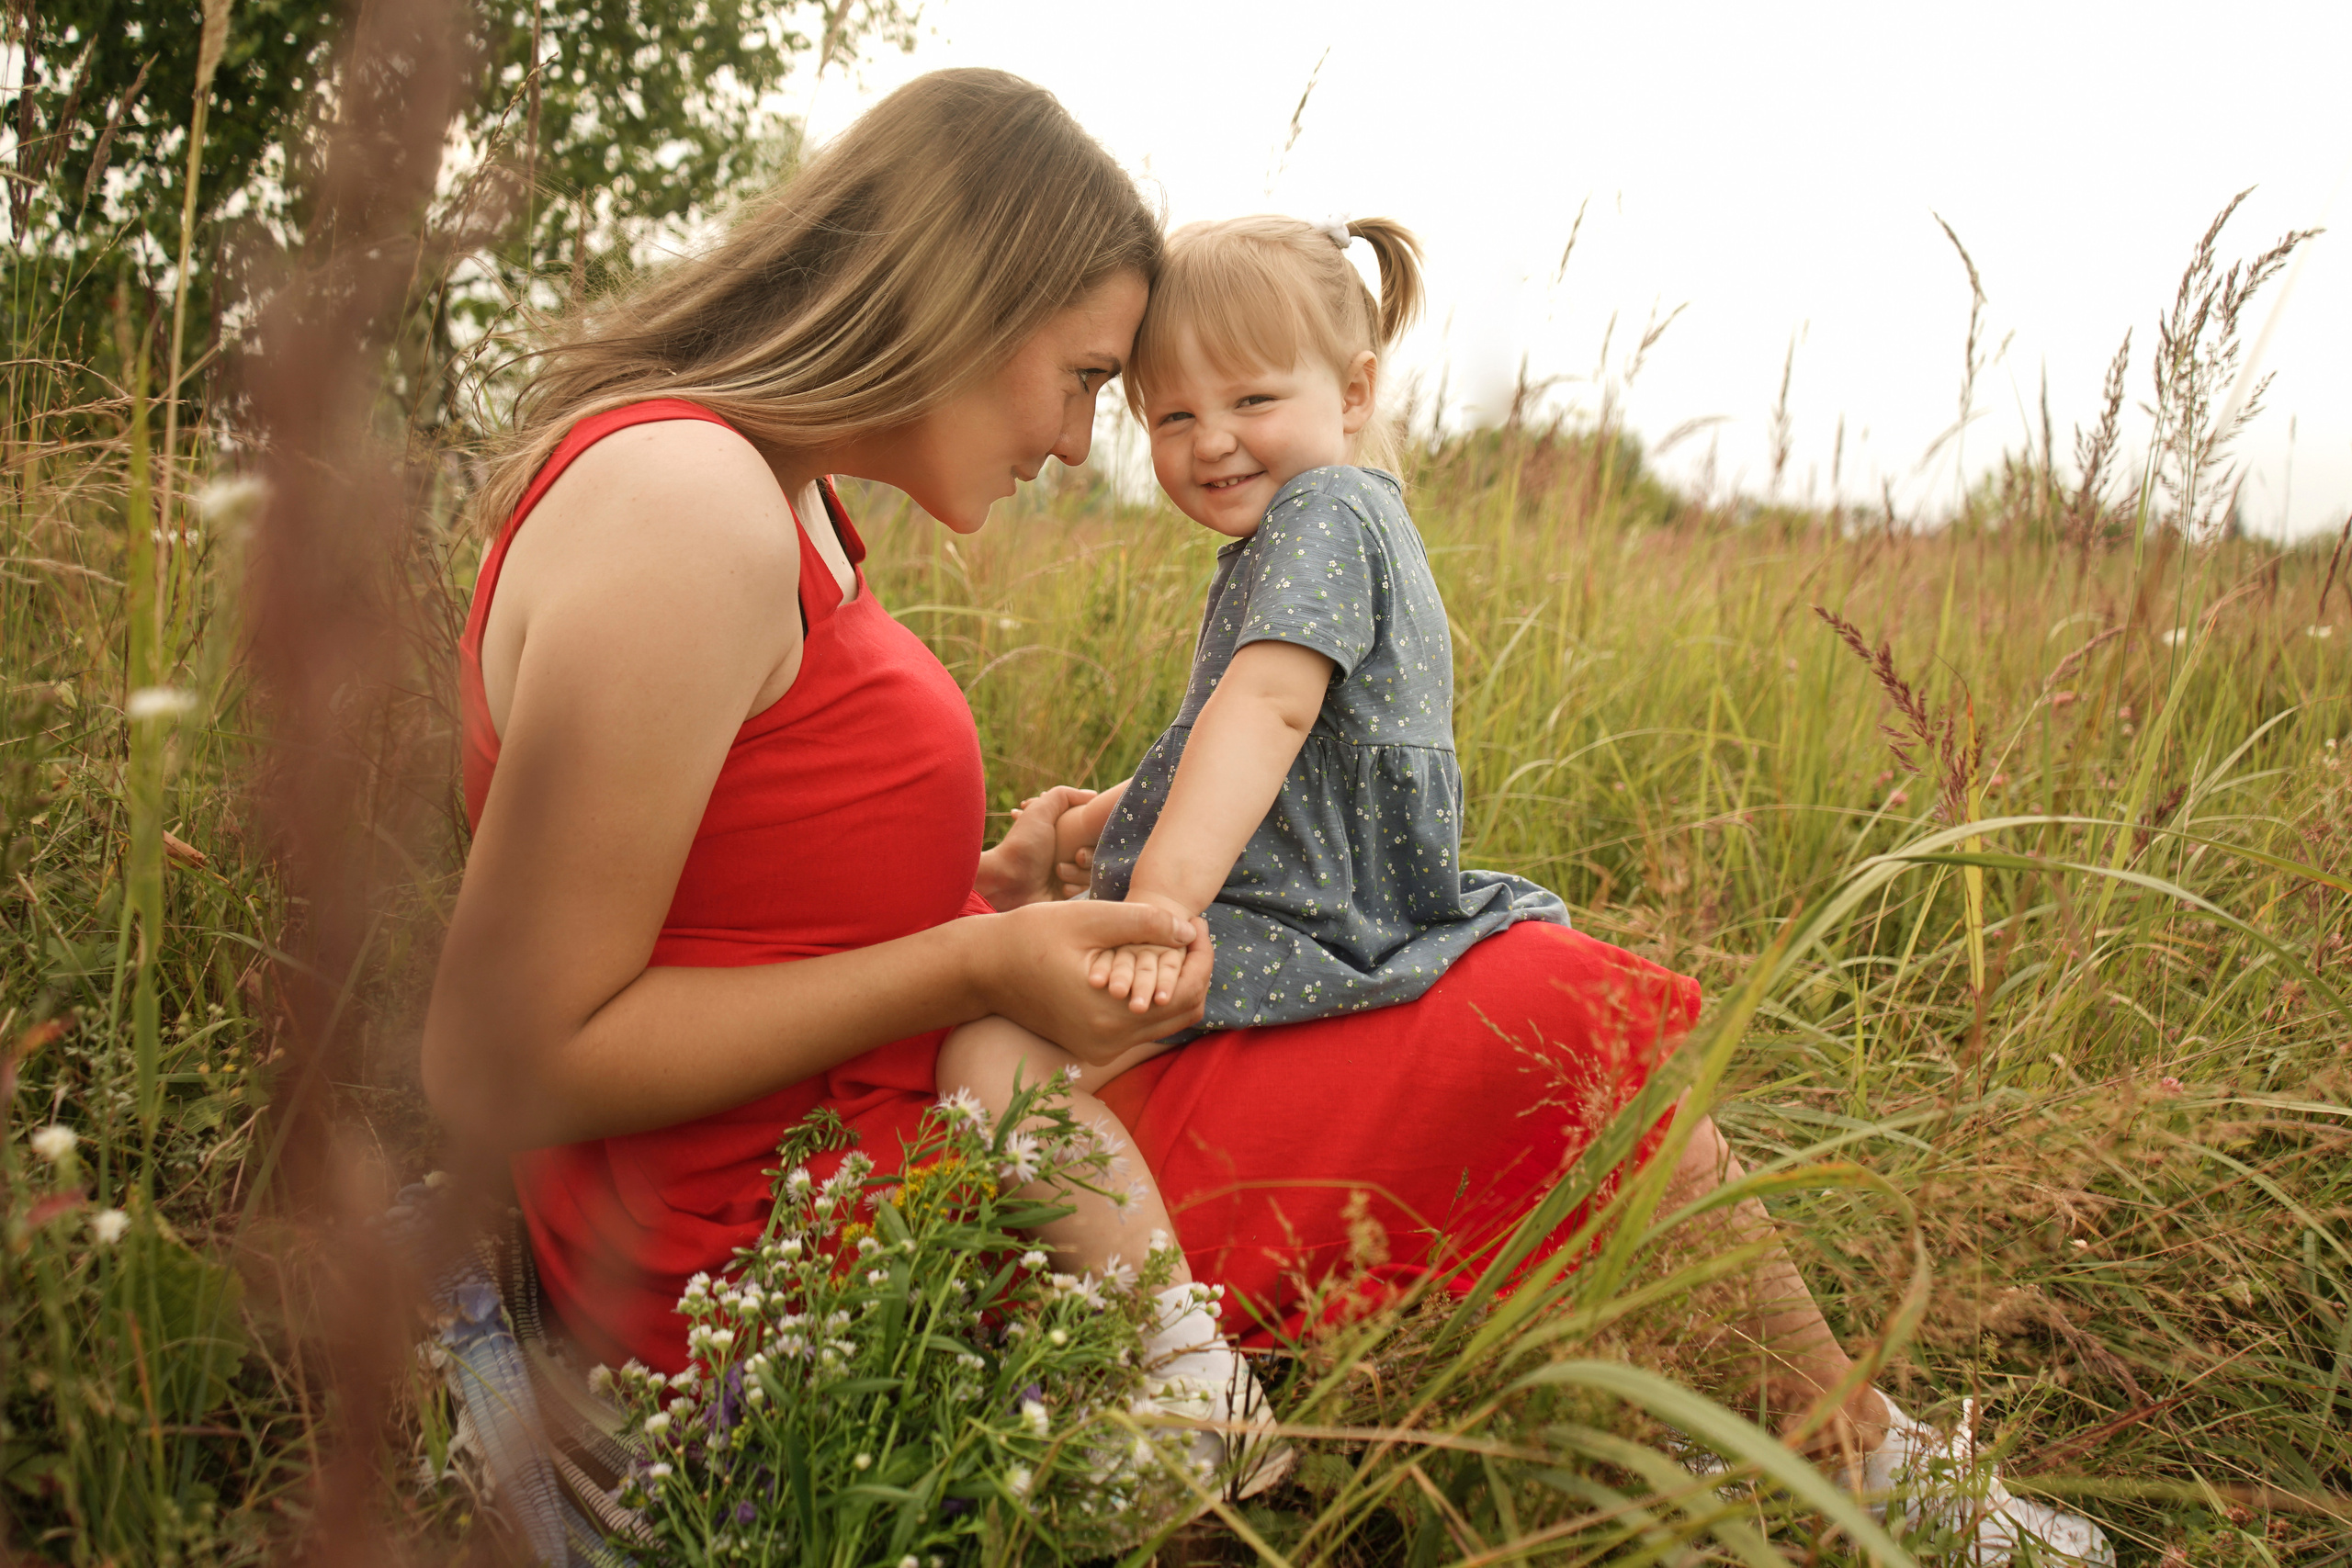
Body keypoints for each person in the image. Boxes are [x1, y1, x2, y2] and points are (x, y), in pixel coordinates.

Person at [420, 68, 2109, 1562]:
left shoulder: (767, 501)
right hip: (772, 1252)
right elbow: (502, 1057)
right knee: (1564, 1029)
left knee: (1524, 1003)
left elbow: (723, 902)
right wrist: (972, 963)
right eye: (1090, 377)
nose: (1086, 442)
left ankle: (1863, 1472)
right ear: (955, 297)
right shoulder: (685, 502)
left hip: (850, 1140)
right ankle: (1885, 1496)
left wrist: (980, 898)